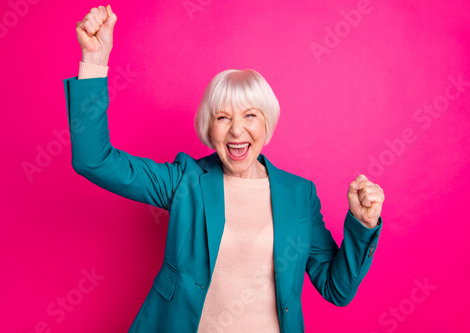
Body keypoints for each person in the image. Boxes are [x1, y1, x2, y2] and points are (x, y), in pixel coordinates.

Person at [63, 5, 385, 333]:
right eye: (223, 117)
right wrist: (94, 60)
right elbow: (95, 160)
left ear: (266, 123)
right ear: (209, 128)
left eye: (250, 116)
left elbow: (337, 289)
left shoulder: (300, 194)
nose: (236, 131)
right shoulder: (184, 181)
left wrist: (362, 224)